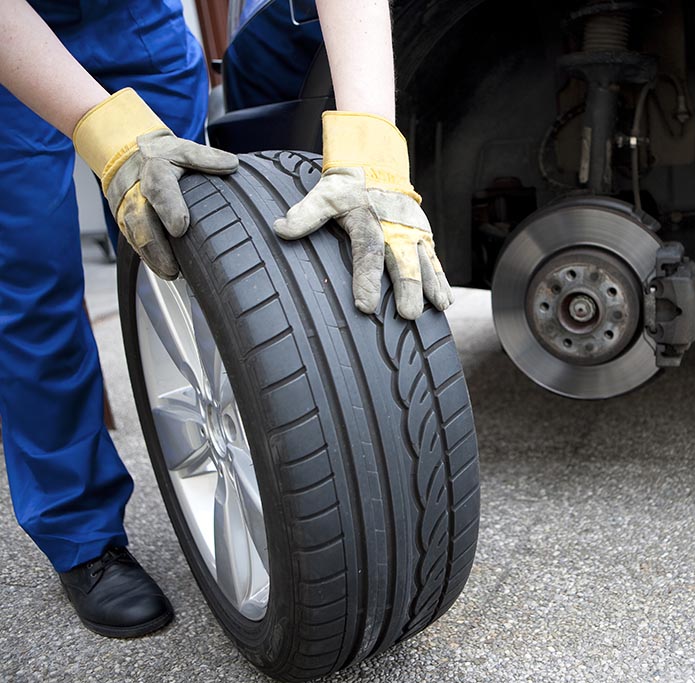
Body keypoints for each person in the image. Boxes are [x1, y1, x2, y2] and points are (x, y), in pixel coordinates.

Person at [0, 0, 450, 638]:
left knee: (185, 245)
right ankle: (81, 539)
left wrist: (372, 148)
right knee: (30, 285)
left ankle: (261, 458)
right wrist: (96, 129)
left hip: (133, 21)